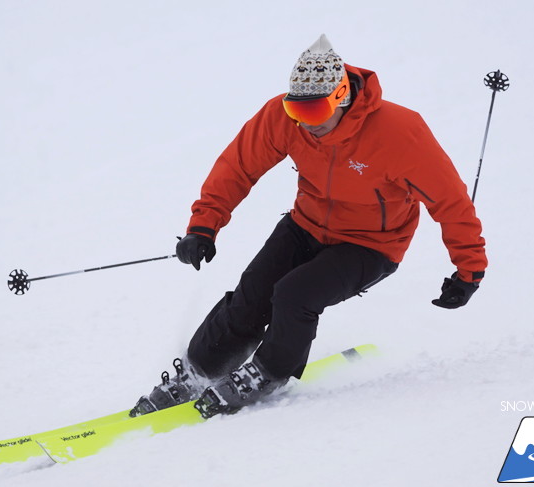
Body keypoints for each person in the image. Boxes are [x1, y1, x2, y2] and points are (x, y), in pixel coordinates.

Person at [130, 34, 487, 418]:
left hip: (371, 245)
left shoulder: (400, 132)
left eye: (314, 114)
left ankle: (268, 372)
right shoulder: (286, 118)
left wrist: (469, 271)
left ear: (341, 98)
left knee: (294, 294)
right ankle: (200, 373)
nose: (306, 124)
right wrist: (203, 227)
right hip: (306, 224)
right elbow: (237, 166)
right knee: (252, 295)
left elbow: (449, 200)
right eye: (298, 113)